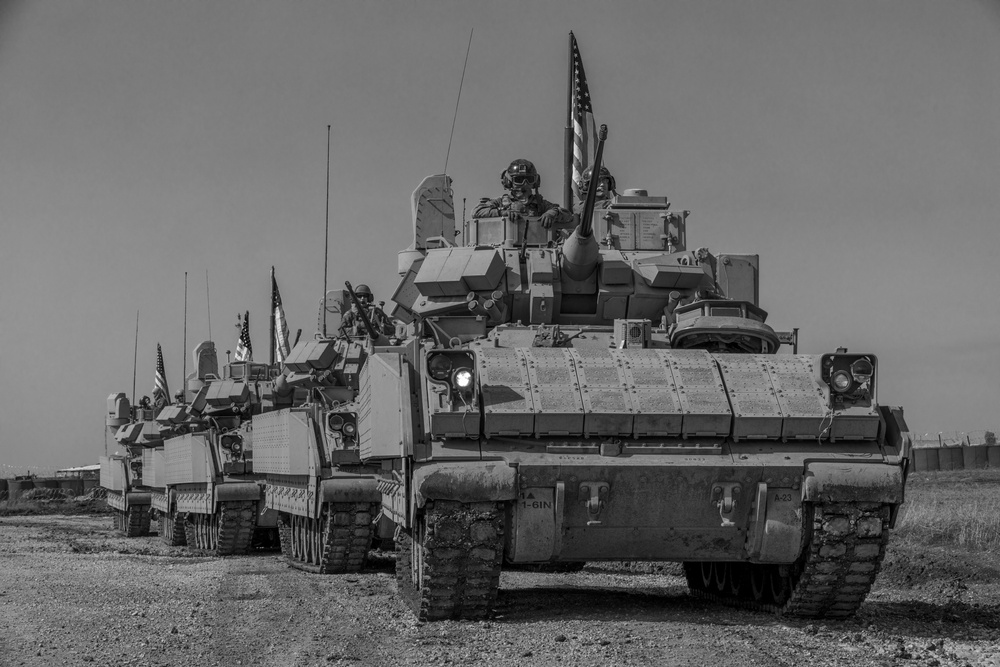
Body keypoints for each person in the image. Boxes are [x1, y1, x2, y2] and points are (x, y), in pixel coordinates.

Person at [473, 159, 574, 230]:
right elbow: (477, 212)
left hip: (538, 250)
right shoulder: (501, 202)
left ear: (535, 182)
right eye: (519, 180)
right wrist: (502, 212)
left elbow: (568, 215)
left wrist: (552, 214)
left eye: (529, 180)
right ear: (509, 182)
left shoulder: (540, 204)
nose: (525, 184)